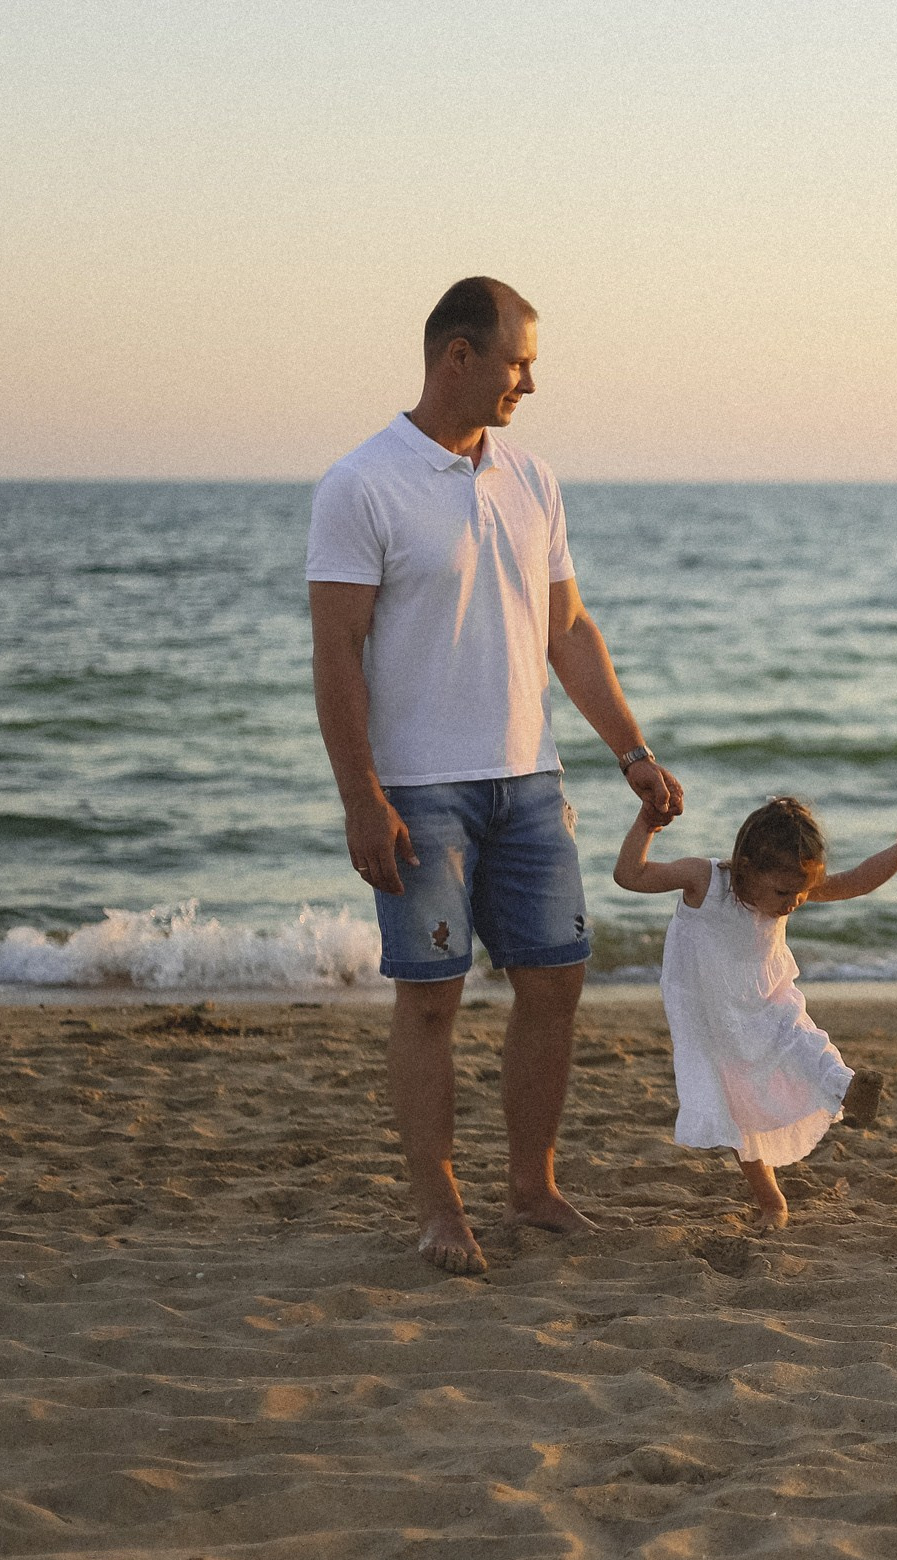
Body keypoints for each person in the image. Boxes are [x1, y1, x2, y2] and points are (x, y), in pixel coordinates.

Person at [307, 276, 686, 1275]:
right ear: (459, 356)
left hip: (529, 782)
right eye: (518, 361)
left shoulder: (532, 479)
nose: (531, 381)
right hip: (419, 791)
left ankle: (532, 1186)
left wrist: (633, 751)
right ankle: (440, 1207)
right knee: (431, 998)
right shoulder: (361, 484)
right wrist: (361, 797)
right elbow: (336, 651)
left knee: (555, 982)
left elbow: (569, 630)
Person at [614, 796, 897, 1229]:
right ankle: (772, 1201)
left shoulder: (792, 884)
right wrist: (647, 823)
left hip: (770, 999)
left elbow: (856, 881)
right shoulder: (704, 881)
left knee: (805, 1042)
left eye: (802, 894)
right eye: (783, 893)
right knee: (738, 1115)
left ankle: (847, 1087)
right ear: (747, 868)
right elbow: (630, 875)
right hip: (717, 1018)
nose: (793, 903)